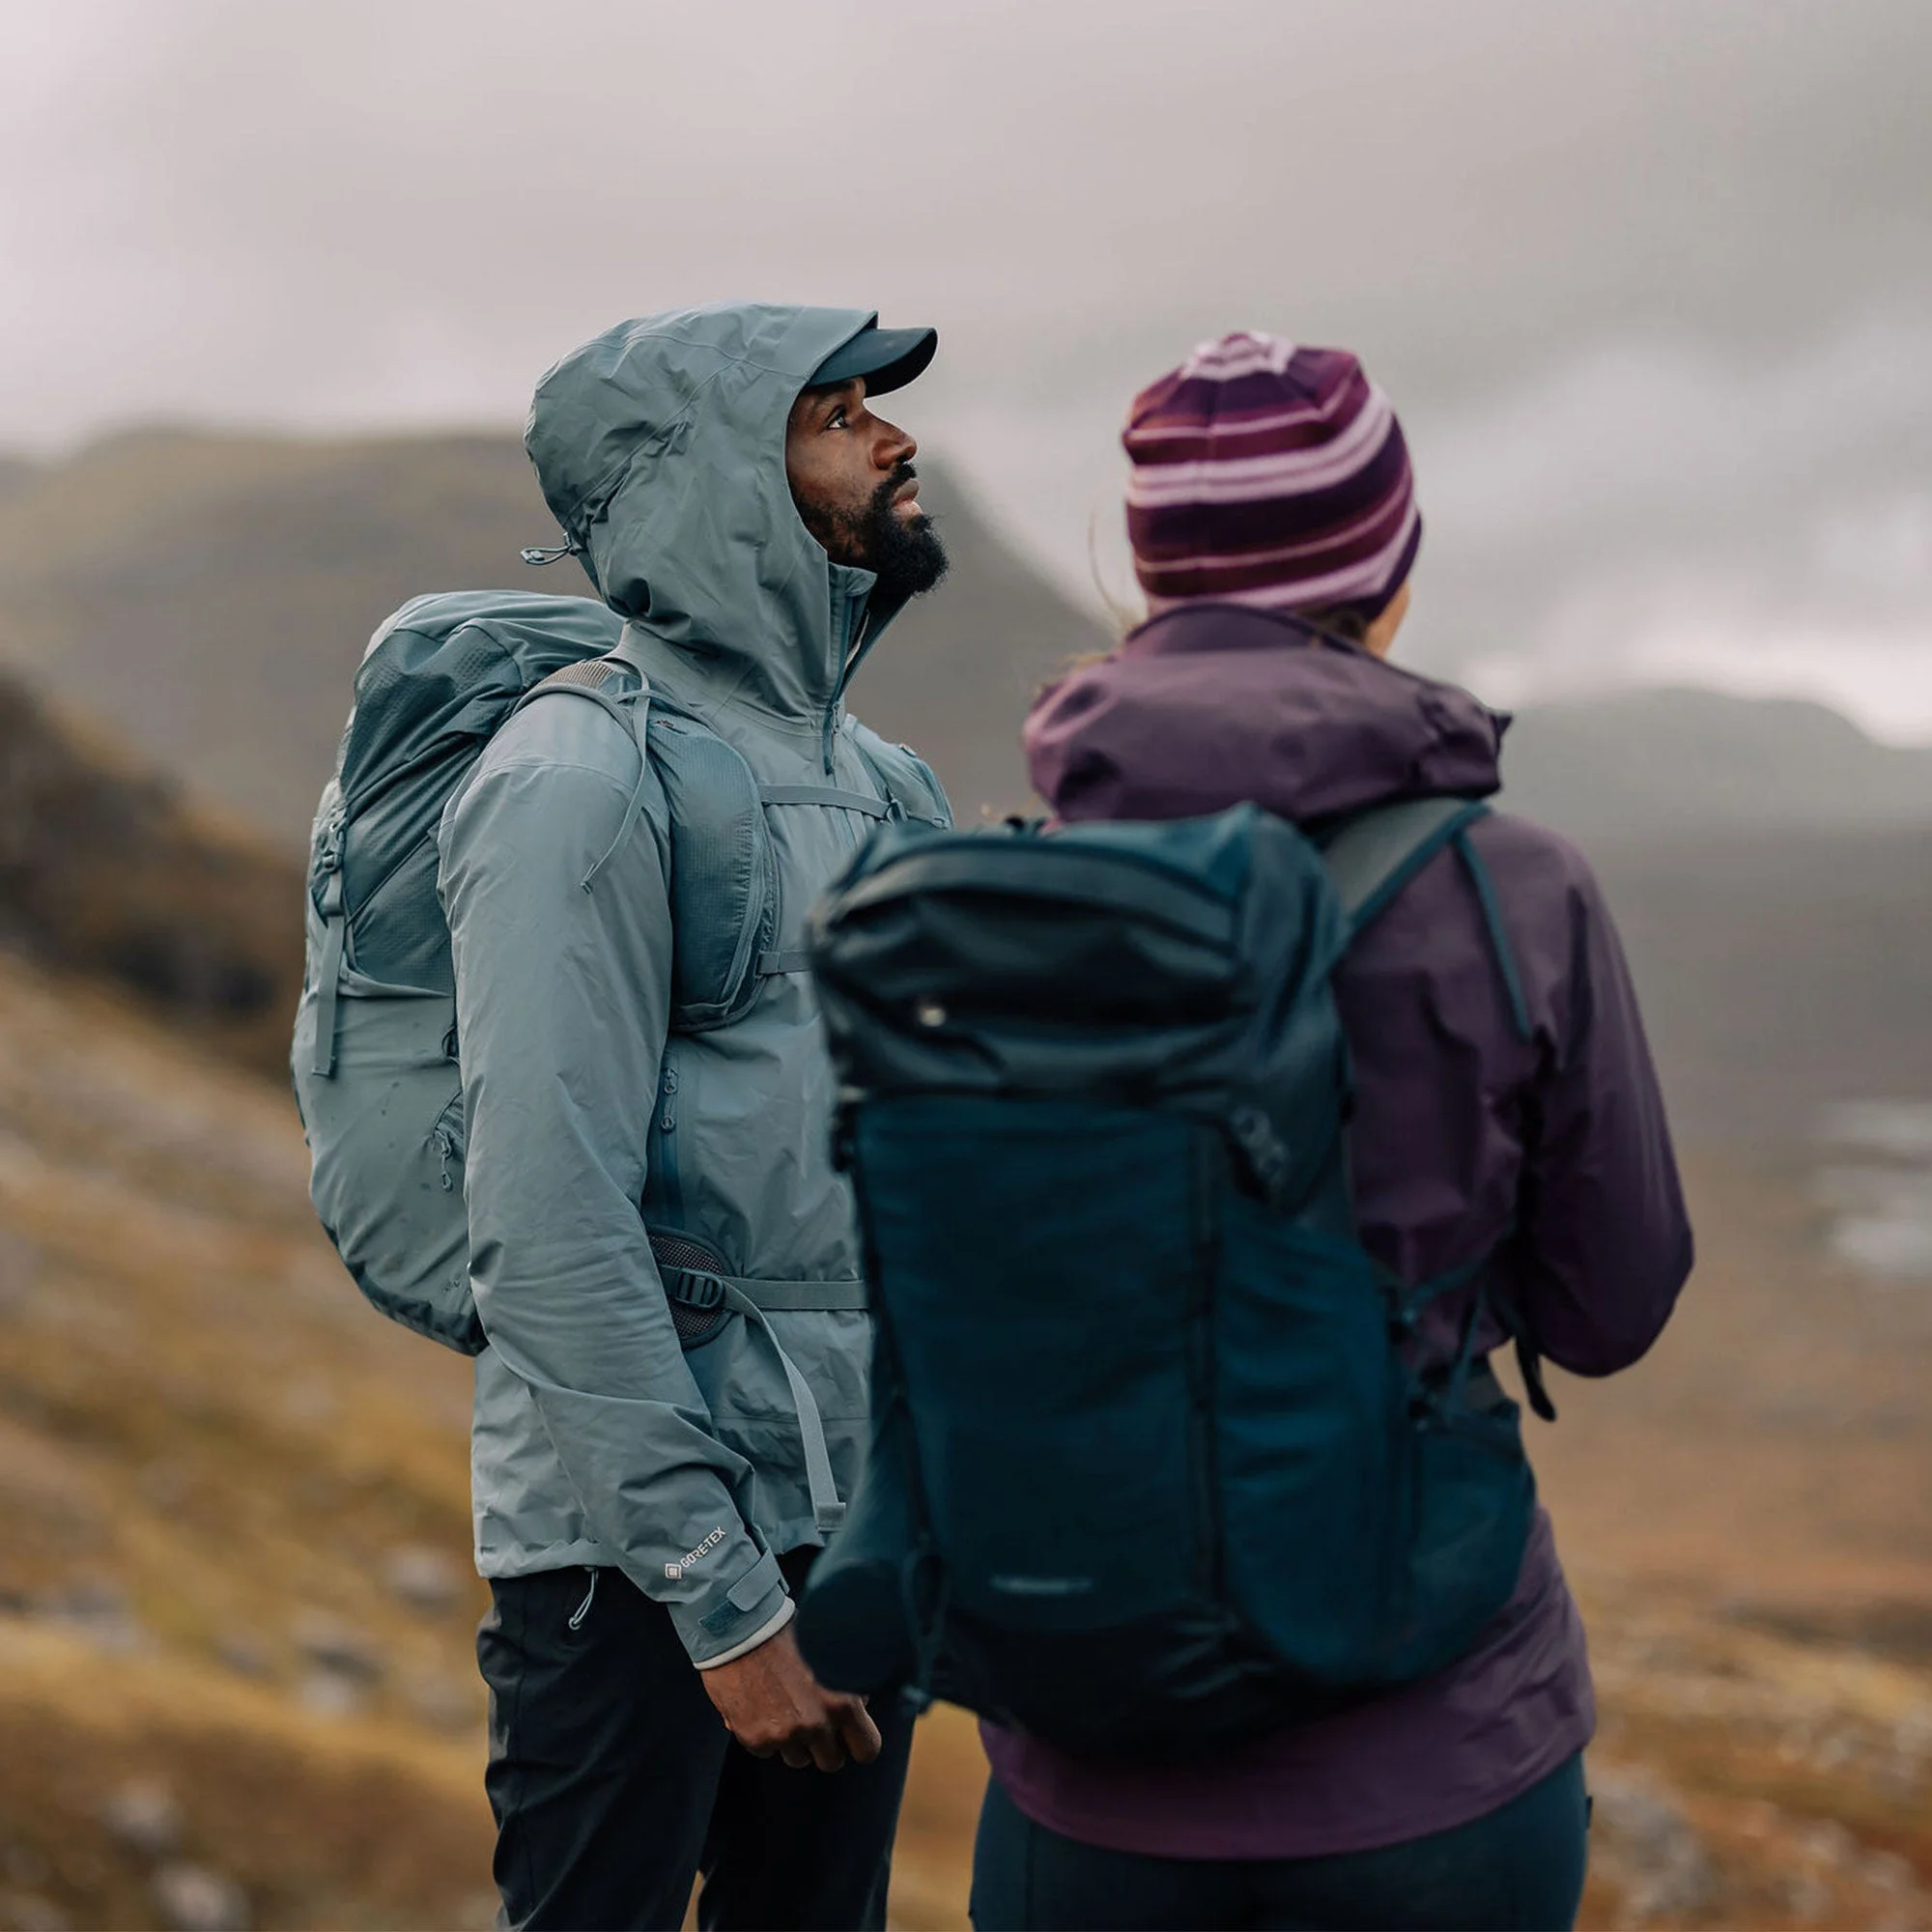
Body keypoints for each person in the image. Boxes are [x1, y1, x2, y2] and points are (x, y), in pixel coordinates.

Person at [970, 332, 1694, 1932]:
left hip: (1086, 1760)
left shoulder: (1005, 893)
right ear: (1390, 574)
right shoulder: (1521, 888)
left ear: (1148, 578)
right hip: (1436, 1760)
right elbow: (1613, 1305)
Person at [439, 303, 951, 1932]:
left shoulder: (893, 784)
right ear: (713, 479)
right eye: (837, 415)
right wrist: (721, 1607)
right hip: (628, 1566)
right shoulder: (575, 778)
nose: (895, 438)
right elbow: (545, 1219)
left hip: (853, 1534)